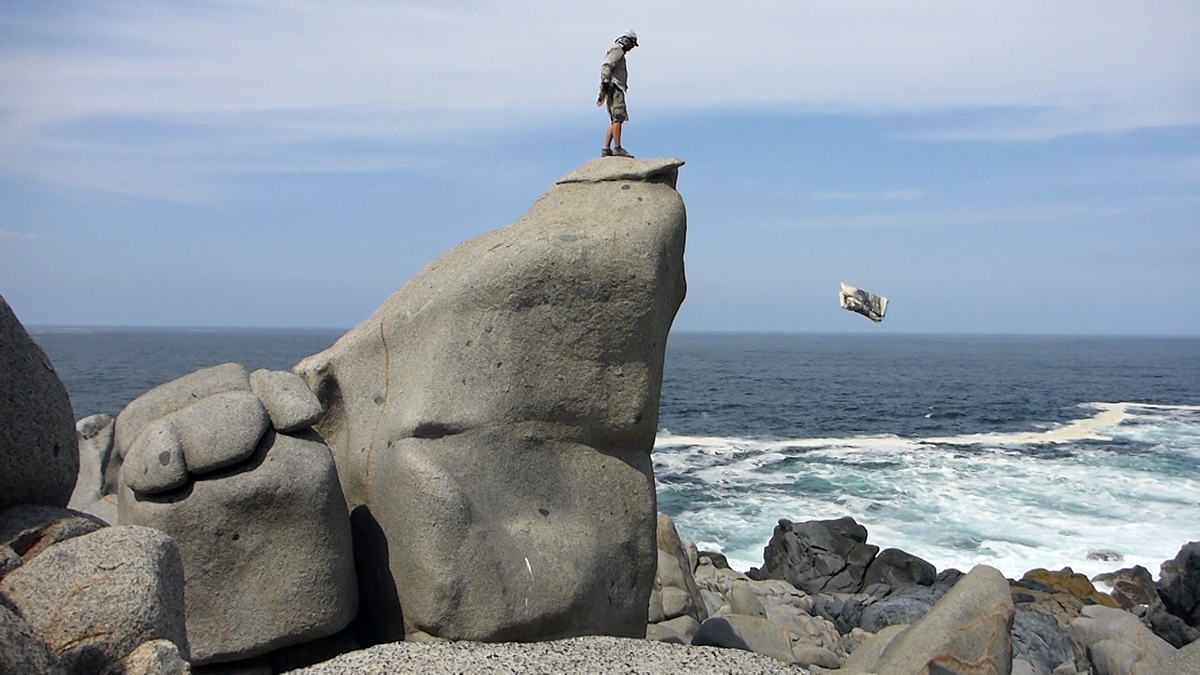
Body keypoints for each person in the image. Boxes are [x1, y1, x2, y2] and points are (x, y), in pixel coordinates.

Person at [597, 30, 638, 158]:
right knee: (618, 117)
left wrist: (603, 91)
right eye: (632, 44)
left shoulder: (617, 50)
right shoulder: (617, 50)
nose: (632, 48)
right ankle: (617, 148)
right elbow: (607, 65)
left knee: (614, 119)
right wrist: (605, 83)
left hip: (611, 87)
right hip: (615, 87)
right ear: (626, 41)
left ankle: (606, 149)